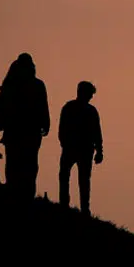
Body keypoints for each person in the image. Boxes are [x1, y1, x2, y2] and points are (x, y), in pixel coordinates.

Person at [0, 53, 49, 199]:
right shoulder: (27, 85)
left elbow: (43, 107)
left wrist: (45, 123)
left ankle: (20, 193)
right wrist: (45, 124)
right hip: (23, 132)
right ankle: (21, 194)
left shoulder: (12, 85)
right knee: (25, 164)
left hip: (21, 132)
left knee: (19, 164)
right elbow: (43, 107)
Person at [57, 81, 104, 213]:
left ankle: (78, 207)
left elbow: (97, 132)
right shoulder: (83, 110)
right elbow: (62, 129)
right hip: (77, 149)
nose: (91, 97)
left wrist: (99, 150)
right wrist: (99, 150)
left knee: (79, 179)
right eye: (90, 94)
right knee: (73, 178)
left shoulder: (72, 108)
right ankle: (70, 206)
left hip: (80, 149)